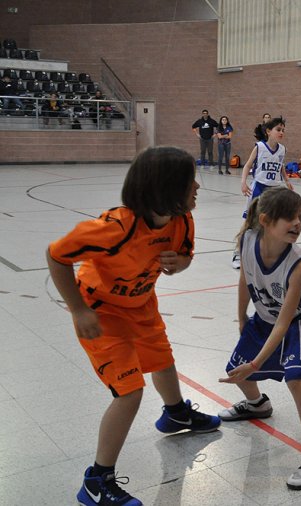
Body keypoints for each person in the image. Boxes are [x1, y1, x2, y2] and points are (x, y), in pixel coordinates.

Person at [46, 147, 220, 506]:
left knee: (163, 361)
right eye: (190, 182)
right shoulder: (114, 228)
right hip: (101, 310)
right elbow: (56, 255)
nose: (198, 187)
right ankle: (97, 480)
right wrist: (77, 310)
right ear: (166, 189)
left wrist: (180, 263)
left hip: (141, 304)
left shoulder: (181, 220)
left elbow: (186, 255)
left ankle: (176, 414)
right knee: (129, 391)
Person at [218, 187, 301, 491]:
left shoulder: (298, 264)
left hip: (300, 319)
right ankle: (257, 404)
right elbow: (244, 277)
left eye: (300, 217)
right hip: (263, 315)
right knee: (237, 372)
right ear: (267, 220)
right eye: (290, 218)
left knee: (295, 378)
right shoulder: (246, 240)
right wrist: (242, 317)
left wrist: (257, 362)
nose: (297, 223)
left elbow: (284, 323)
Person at [234, 117, 292, 269]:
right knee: (250, 223)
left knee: (273, 223)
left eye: (283, 130)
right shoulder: (259, 147)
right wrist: (243, 182)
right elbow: (247, 166)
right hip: (259, 187)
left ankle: (268, 253)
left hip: (274, 190)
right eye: (278, 130)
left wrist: (287, 180)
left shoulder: (282, 149)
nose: (281, 132)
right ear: (268, 131)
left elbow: (281, 167)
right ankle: (237, 253)